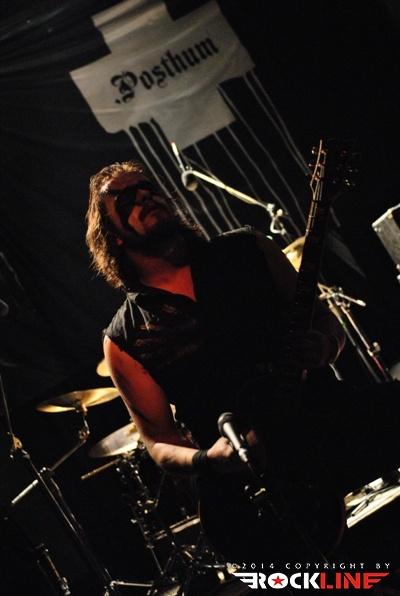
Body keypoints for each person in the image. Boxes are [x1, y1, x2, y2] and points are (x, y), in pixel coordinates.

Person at [86, 160, 399, 562]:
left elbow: (325, 322)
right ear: (111, 236)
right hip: (256, 479)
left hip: (324, 419)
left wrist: (326, 345)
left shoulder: (248, 249)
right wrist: (209, 458)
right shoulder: (124, 339)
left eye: (149, 187)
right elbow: (159, 441)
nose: (145, 195)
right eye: (127, 198)